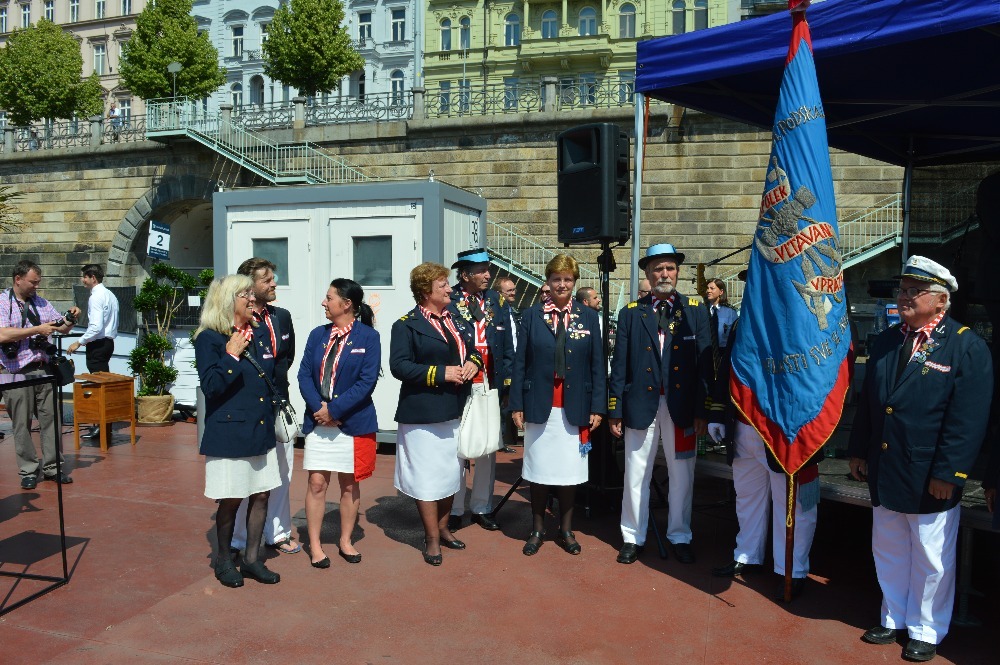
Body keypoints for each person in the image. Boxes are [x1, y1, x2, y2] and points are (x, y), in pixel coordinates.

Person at [849, 256, 991, 663]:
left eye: (915, 291)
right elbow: (871, 405)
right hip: (886, 465)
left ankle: (926, 628)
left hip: (931, 472)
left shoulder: (965, 345)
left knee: (931, 555)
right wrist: (859, 451)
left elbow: (968, 419)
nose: (904, 297)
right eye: (903, 290)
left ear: (941, 301)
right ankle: (893, 616)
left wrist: (951, 472)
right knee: (889, 546)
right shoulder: (889, 339)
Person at [707, 272, 818, 600]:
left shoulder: (806, 321)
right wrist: (717, 412)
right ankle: (747, 554)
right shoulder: (744, 321)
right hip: (744, 426)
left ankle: (791, 568)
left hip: (784, 431)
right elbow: (727, 369)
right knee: (748, 496)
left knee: (795, 503)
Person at [609, 243, 711, 564]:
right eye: (657, 269)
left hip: (681, 410)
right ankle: (632, 535)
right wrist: (615, 408)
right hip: (641, 406)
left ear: (677, 273)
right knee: (636, 472)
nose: (664, 274)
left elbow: (705, 366)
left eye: (669, 268)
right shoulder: (631, 313)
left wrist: (702, 410)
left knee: (682, 473)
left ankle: (680, 534)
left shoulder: (695, 310)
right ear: (648, 275)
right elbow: (620, 364)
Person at [510, 255, 605, 556]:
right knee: (538, 472)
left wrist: (598, 407)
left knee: (568, 474)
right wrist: (516, 405)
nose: (562, 284)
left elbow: (597, 366)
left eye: (567, 279)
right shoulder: (531, 315)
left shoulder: (589, 317)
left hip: (575, 407)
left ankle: (566, 529)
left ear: (574, 282)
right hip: (539, 404)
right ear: (548, 282)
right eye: (556, 279)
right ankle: (537, 528)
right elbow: (519, 363)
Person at [390, 262, 483, 565]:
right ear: (425, 290)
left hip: (454, 410)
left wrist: (473, 363)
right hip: (423, 415)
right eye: (442, 284)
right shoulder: (405, 325)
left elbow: (472, 350)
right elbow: (400, 366)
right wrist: (441, 373)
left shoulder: (454, 318)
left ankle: (443, 528)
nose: (449, 288)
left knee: (449, 475)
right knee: (428, 479)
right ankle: (430, 539)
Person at [195, 274, 282, 588]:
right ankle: (222, 560)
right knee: (231, 499)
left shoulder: (255, 333)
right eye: (245, 293)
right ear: (228, 300)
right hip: (230, 433)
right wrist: (231, 354)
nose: (251, 298)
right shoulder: (209, 338)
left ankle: (251, 559)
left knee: (261, 495)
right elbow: (211, 387)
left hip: (259, 428)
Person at [298, 278, 380, 568]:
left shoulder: (369, 338)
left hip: (351, 422)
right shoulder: (316, 335)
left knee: (349, 485)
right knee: (317, 483)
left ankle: (346, 541)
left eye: (329, 298)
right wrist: (318, 408)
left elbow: (366, 382)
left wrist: (333, 410)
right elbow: (304, 375)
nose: (324, 302)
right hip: (318, 421)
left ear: (347, 304)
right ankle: (317, 546)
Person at [229, 258, 300, 557]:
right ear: (249, 285)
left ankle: (278, 532)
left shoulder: (282, 317)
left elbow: (286, 359)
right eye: (266, 279)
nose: (274, 283)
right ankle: (241, 539)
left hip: (278, 407)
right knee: (249, 474)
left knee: (283, 472)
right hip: (248, 409)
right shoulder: (234, 319)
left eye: (273, 277)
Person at [446, 249, 513, 532]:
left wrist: (507, 382)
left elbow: (508, 345)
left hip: (489, 382)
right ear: (465, 275)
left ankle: (482, 506)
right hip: (460, 382)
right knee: (458, 447)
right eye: (482, 270)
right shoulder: (449, 300)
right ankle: (454, 508)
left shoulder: (496, 300)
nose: (488, 275)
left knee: (487, 446)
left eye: (488, 269)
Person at [0, 260, 80, 488]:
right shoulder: (2, 303)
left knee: (51, 419)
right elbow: (2, 335)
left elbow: (60, 326)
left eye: (38, 283)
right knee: (21, 423)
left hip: (43, 369)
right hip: (16, 372)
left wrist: (72, 317)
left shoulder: (41, 303)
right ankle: (28, 470)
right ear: (18, 279)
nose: (36, 287)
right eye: (33, 282)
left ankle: (53, 468)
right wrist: (36, 330)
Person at [68, 264, 120, 440]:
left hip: (98, 344)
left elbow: (96, 327)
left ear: (92, 277)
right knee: (102, 382)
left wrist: (79, 342)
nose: (83, 280)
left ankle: (102, 426)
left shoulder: (97, 297)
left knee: (98, 385)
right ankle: (104, 425)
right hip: (107, 343)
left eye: (84, 277)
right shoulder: (110, 295)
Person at [497, 276, 520, 453]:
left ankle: (506, 439)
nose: (513, 293)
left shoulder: (511, 310)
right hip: (503, 366)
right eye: (509, 290)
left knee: (507, 403)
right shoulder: (499, 310)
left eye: (514, 289)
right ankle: (500, 441)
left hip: (513, 364)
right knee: (501, 404)